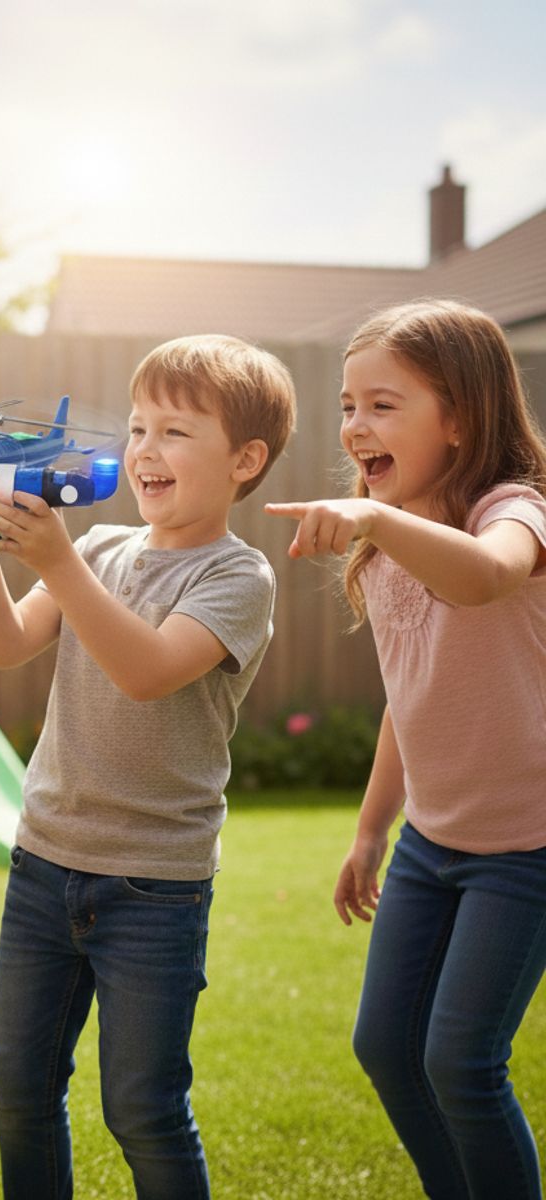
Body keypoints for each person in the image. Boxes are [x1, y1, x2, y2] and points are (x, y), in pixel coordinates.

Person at [0, 334, 296, 1199]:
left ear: (245, 460)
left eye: (177, 432)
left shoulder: (239, 576)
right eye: (139, 427)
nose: (145, 450)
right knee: (19, 1088)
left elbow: (147, 672)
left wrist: (55, 559)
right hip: (44, 865)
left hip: (154, 885)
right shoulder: (102, 548)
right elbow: (2, 647)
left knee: (143, 1108)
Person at [266, 299, 546, 1200]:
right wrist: (370, 830)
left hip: (527, 848)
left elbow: (491, 575)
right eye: (349, 407)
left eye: (382, 405)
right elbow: (410, 697)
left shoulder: (515, 510)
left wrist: (377, 522)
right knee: (387, 1049)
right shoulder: (384, 535)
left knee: (462, 1063)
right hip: (433, 843)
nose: (355, 427)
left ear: (460, 416)